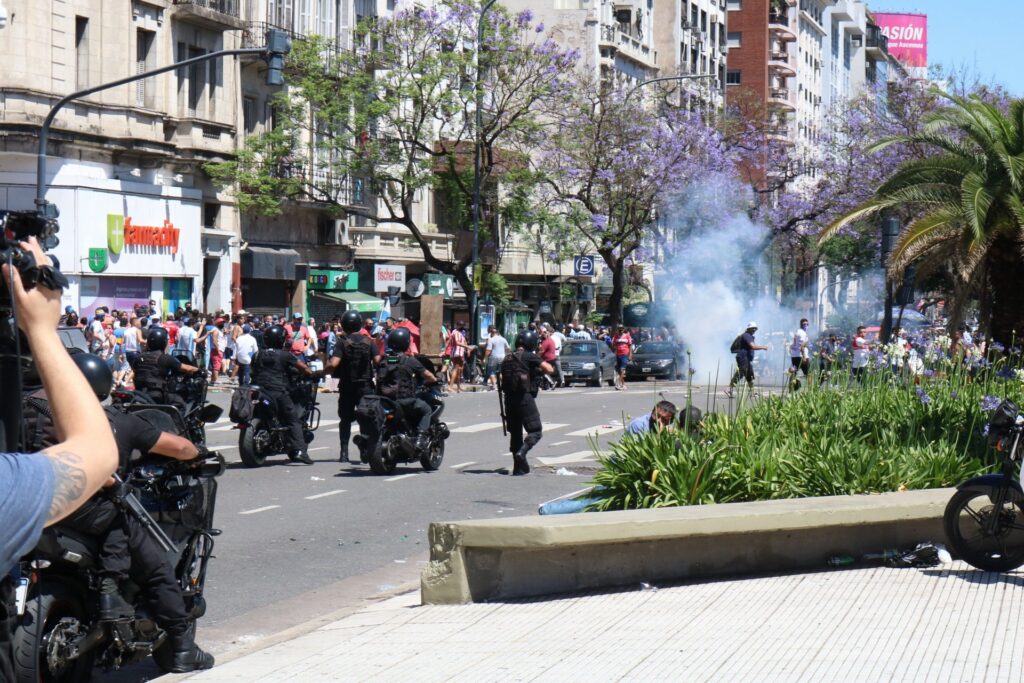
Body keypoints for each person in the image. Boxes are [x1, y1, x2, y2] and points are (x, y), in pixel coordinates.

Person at [26, 352, 215, 672]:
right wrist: (198, 454)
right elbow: (180, 447)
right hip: (84, 511)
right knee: (154, 567)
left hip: (29, 505)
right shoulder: (112, 421)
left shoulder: (26, 407)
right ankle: (182, 646)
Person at [0, 238, 118, 679]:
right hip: (74, 507)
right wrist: (43, 331)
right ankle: (180, 639)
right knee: (130, 545)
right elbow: (96, 451)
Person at [251, 324, 314, 464]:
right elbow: (304, 368)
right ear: (280, 339)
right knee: (293, 420)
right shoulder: (285, 355)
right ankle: (300, 451)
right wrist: (311, 373)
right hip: (277, 391)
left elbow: (253, 370)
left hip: (259, 390)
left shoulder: (257, 354)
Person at [326, 311, 381, 464]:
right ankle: (365, 447)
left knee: (345, 420)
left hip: (347, 386)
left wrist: (321, 372)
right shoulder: (369, 342)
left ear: (343, 325)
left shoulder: (342, 342)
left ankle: (344, 453)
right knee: (366, 418)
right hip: (365, 387)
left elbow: (334, 364)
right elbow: (377, 360)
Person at [499, 330, 553, 476]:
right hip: (524, 398)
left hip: (508, 400)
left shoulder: (507, 358)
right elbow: (549, 368)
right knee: (535, 431)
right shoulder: (529, 356)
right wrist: (538, 363)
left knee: (515, 434)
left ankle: (518, 468)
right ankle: (522, 452)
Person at [375, 328, 437, 451]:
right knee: (426, 410)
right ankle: (421, 438)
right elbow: (428, 376)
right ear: (406, 343)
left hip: (385, 401)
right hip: (404, 400)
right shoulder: (409, 360)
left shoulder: (383, 360)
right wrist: (434, 380)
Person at [130, 326, 201, 410]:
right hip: (156, 393)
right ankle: (176, 423)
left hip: (139, 392)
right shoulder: (165, 358)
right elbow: (186, 368)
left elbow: (134, 371)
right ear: (163, 343)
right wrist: (199, 370)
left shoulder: (139, 357)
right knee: (180, 403)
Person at [725, 322, 768, 397]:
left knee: (749, 375)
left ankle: (752, 392)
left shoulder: (748, 335)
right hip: (743, 357)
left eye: (755, 328)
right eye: (753, 328)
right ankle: (729, 389)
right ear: (749, 329)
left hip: (746, 358)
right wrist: (763, 347)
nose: (754, 330)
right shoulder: (747, 336)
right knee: (740, 373)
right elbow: (753, 346)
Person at [443, 321, 471, 392]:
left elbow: (463, 341)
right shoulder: (456, 332)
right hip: (457, 353)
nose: (461, 326)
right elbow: (457, 342)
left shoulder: (459, 332)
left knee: (459, 370)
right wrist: (467, 347)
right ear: (457, 325)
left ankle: (458, 387)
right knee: (456, 369)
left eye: (462, 325)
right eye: (460, 325)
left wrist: (467, 349)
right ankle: (450, 386)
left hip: (459, 353)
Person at [482, 326, 510, 391]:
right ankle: (504, 384)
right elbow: (508, 348)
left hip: (494, 356)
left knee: (491, 371)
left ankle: (494, 386)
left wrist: (485, 358)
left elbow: (488, 350)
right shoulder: (503, 339)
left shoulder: (491, 339)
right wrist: (507, 355)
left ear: (492, 333)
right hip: (502, 356)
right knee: (500, 371)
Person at [789, 318, 811, 390]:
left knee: (794, 373)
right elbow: (802, 346)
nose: (806, 326)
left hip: (795, 355)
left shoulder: (797, 332)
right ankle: (811, 390)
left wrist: (791, 349)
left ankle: (791, 388)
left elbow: (793, 345)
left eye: (807, 324)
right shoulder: (802, 333)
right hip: (801, 356)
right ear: (801, 325)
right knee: (808, 374)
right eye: (804, 324)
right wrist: (804, 356)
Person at [611, 326, 633, 390]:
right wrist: (614, 348)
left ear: (623, 330)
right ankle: (623, 385)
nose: (620, 330)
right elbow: (613, 345)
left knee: (622, 369)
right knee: (620, 372)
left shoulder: (627, 336)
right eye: (619, 329)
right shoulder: (616, 336)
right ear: (618, 330)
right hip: (618, 354)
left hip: (625, 354)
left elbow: (630, 345)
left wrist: (630, 354)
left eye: (622, 329)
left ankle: (618, 383)